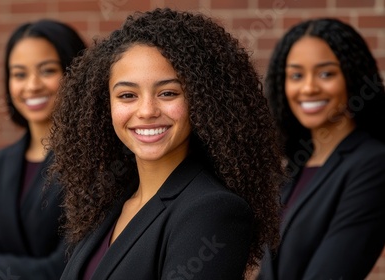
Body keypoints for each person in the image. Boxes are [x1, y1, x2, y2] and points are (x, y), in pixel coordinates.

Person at [48, 8, 286, 280]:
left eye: (168, 93)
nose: (147, 110)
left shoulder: (213, 211)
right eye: (127, 95)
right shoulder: (109, 204)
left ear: (201, 100)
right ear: (106, 106)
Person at [0, 19, 86, 280]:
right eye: (19, 74)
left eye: (47, 70)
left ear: (76, 73)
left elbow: (66, 268)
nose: (32, 86)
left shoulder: (94, 162)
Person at [258, 18, 385, 279]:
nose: (309, 88)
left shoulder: (372, 164)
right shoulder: (296, 168)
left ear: (352, 78)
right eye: (296, 75)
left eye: (326, 73)